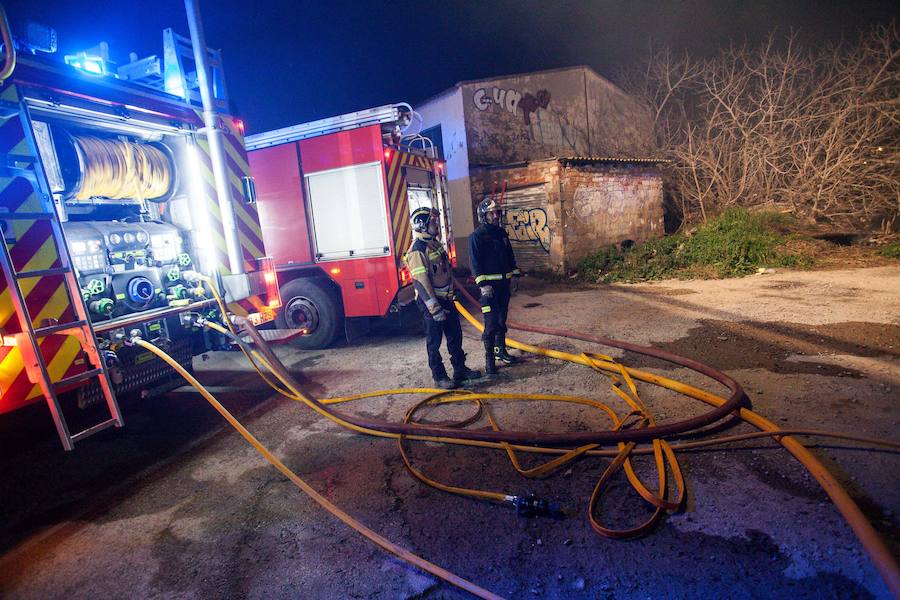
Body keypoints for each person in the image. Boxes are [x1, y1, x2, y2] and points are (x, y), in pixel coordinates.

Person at [405, 207, 482, 389]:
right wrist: (434, 308)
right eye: (432, 222)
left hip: (446, 299)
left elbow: (445, 272)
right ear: (422, 225)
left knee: (455, 335)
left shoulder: (434, 244)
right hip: (431, 303)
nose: (436, 224)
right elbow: (421, 282)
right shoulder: (417, 250)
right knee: (434, 341)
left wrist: (452, 292)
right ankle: (439, 377)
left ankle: (460, 370)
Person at [468, 196, 520, 377]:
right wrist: (482, 284)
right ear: (483, 216)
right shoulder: (476, 236)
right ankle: (489, 362)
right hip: (489, 289)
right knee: (490, 324)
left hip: (504, 286)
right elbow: (475, 263)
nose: (496, 216)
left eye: (497, 212)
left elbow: (510, 256)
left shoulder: (501, 233)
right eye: (491, 213)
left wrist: (515, 275)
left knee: (501, 321)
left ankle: (501, 351)